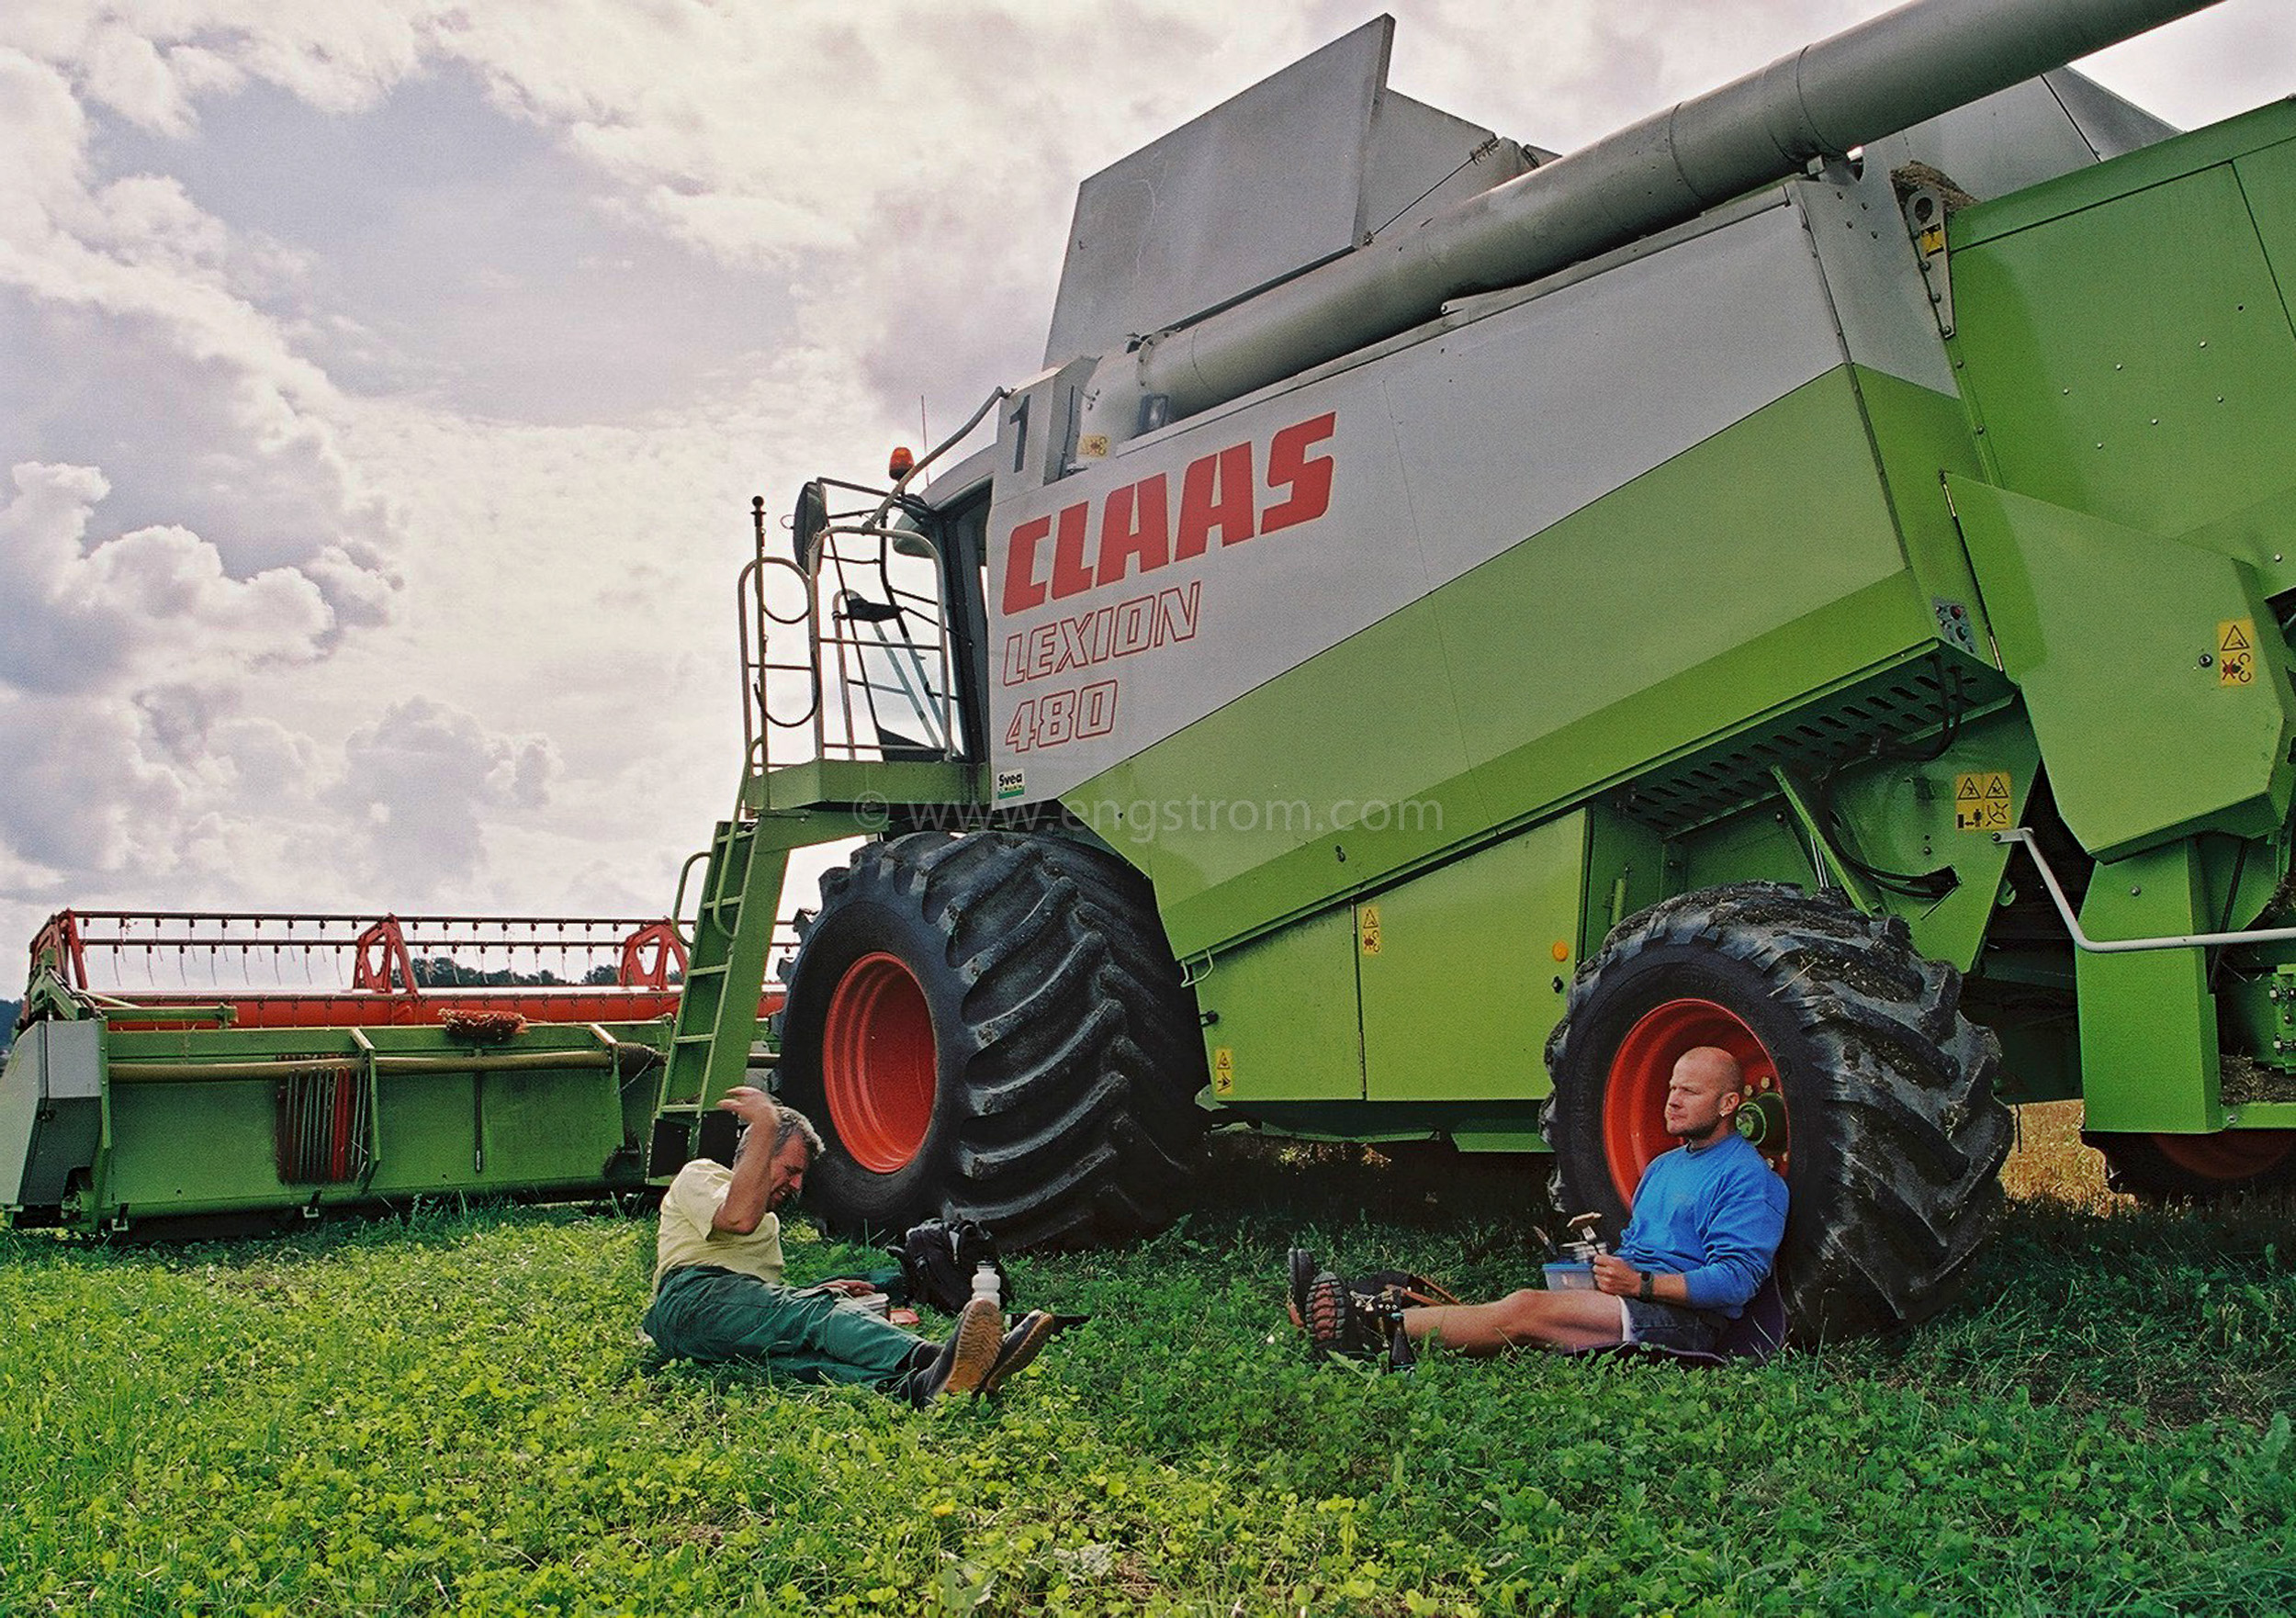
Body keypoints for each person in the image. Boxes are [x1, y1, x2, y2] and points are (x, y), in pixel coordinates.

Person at [1296, 1046, 1787, 1359]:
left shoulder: (1749, 1179)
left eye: (1690, 1091)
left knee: (1525, 1310)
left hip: (1685, 1323)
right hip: (1633, 1295)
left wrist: (1642, 1282)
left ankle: (1366, 1328)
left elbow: (1737, 1280)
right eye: (1672, 1087)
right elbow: (1640, 1243)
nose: (1672, 1100)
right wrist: (1606, 1264)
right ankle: (1363, 1310)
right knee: (1513, 1307)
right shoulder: (1663, 1166)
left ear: (1728, 1105)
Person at [642, 1085, 1059, 1403]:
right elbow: (737, 1218)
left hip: (710, 1324)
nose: (796, 1185)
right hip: (690, 1299)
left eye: (801, 1176)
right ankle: (939, 1358)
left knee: (804, 1362)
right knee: (818, 1315)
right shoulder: (703, 1176)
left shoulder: (767, 1223)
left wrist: (809, 1293)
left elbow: (754, 1303)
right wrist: (767, 1122)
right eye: (790, 1170)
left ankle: (922, 1387)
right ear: (756, 1151)